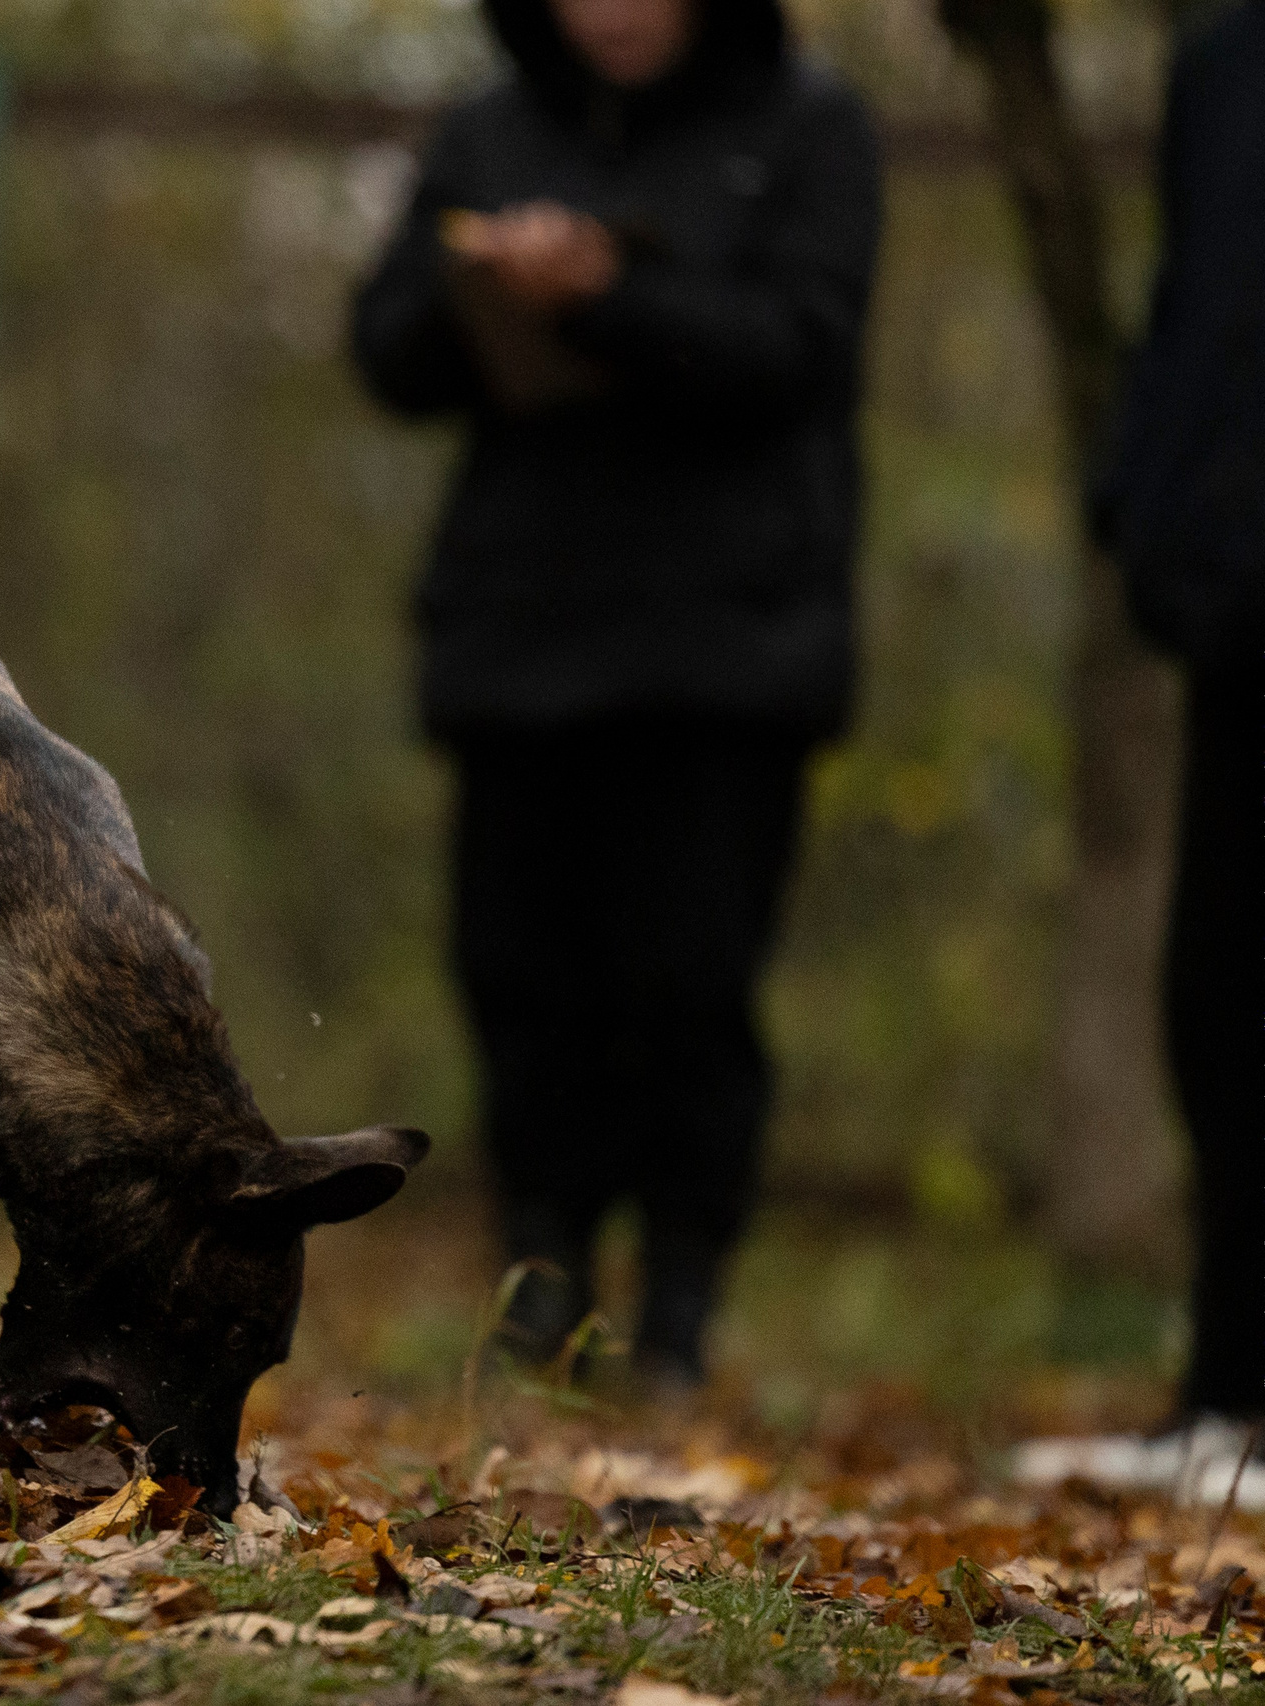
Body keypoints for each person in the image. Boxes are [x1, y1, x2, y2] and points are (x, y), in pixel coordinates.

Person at [351, 0, 881, 1385]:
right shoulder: (487, 132)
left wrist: (611, 297)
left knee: (690, 984)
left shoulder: (809, 130)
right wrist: (496, 290)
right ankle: (543, 1281)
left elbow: (801, 351)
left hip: (729, 649)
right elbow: (389, 345)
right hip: (520, 637)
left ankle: (682, 1305)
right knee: (521, 977)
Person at [1015, 0, 1263, 1501]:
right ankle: (1229, 1401)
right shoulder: (1224, 65)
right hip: (1234, 599)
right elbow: (1195, 306)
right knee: (1226, 1001)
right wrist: (1140, 499)